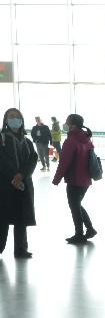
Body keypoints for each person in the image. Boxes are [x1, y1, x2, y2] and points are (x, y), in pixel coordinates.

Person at [52, 114, 96, 244]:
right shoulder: (86, 139)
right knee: (77, 205)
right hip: (86, 179)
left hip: (74, 180)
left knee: (75, 207)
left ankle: (79, 234)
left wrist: (56, 179)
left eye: (67, 122)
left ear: (73, 125)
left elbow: (64, 162)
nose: (65, 124)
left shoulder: (71, 141)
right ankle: (90, 229)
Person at [0, 108, 37, 258]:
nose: (14, 119)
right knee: (2, 218)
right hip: (4, 185)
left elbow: (32, 160)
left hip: (23, 184)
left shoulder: (27, 141)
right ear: (6, 120)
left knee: (21, 216)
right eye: (11, 116)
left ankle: (21, 249)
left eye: (17, 116)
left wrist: (21, 175)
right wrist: (13, 177)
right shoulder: (2, 138)